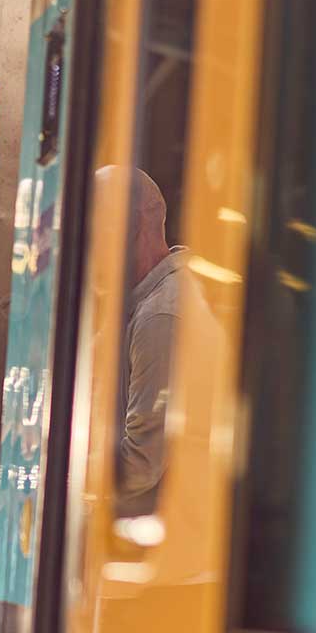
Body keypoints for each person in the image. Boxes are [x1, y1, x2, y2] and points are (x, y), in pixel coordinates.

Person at [98, 165, 187, 517]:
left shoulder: (161, 316)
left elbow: (140, 464)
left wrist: (62, 474)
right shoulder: (139, 306)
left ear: (129, 226)